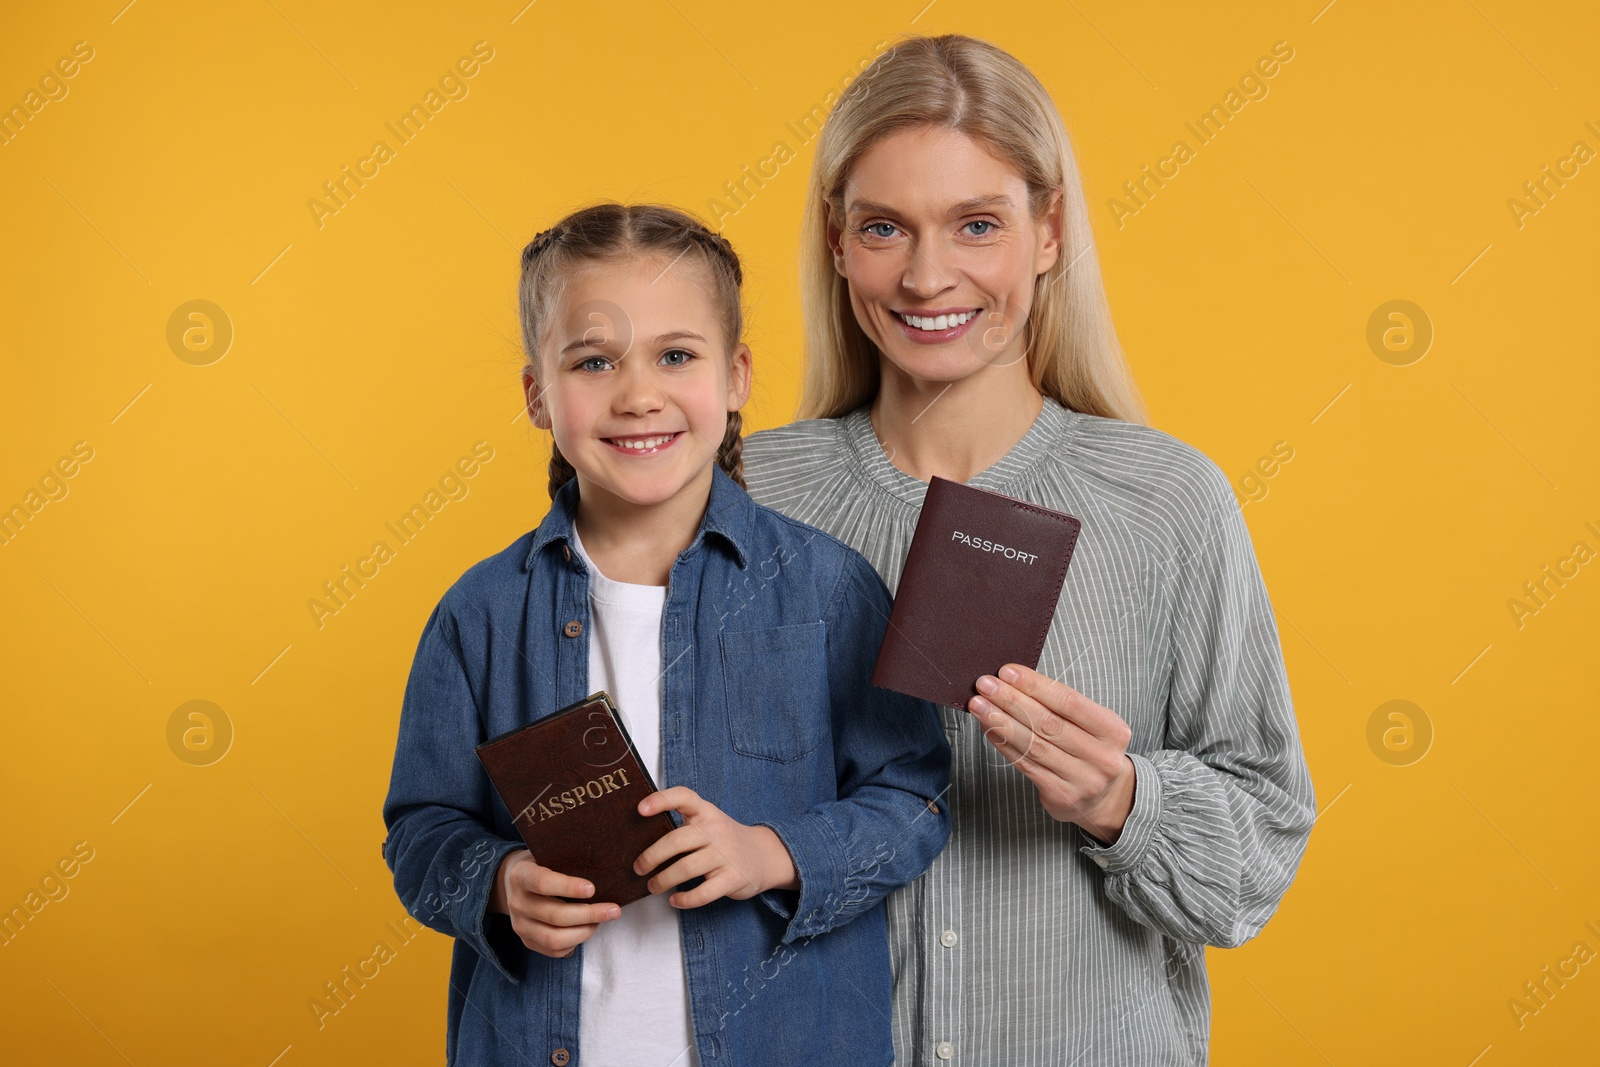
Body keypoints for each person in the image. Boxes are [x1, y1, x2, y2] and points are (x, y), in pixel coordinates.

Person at [741, 34, 1317, 1066]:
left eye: (976, 224)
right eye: (883, 227)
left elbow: (1257, 857)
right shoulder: (742, 496)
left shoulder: (1167, 501)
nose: (927, 276)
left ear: (1048, 232)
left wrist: (1122, 800)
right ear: (835, 240)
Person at [381, 202, 951, 1066]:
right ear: (538, 394)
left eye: (676, 356)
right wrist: (497, 883)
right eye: (593, 361)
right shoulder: (480, 613)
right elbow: (421, 829)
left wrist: (772, 853)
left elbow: (916, 797)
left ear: (736, 378)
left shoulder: (828, 588)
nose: (638, 393)